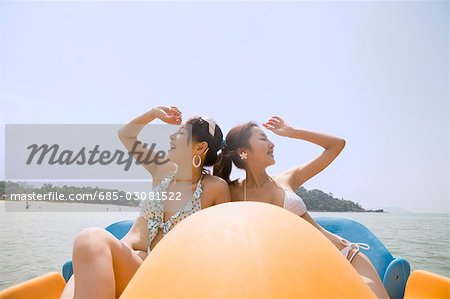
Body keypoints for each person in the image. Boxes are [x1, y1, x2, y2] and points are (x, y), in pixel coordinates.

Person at [60, 106, 231, 299]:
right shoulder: (162, 171)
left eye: (181, 133)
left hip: (157, 274)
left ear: (200, 147)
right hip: (124, 259)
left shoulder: (215, 188)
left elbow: (222, 245)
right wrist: (154, 114)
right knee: (85, 252)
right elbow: (126, 135)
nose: (172, 137)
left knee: (89, 239)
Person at [213, 116, 389, 298]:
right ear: (244, 151)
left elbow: (337, 145)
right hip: (301, 274)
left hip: (344, 257)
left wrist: (292, 132)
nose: (272, 144)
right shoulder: (230, 193)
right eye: (263, 139)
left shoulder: (288, 178)